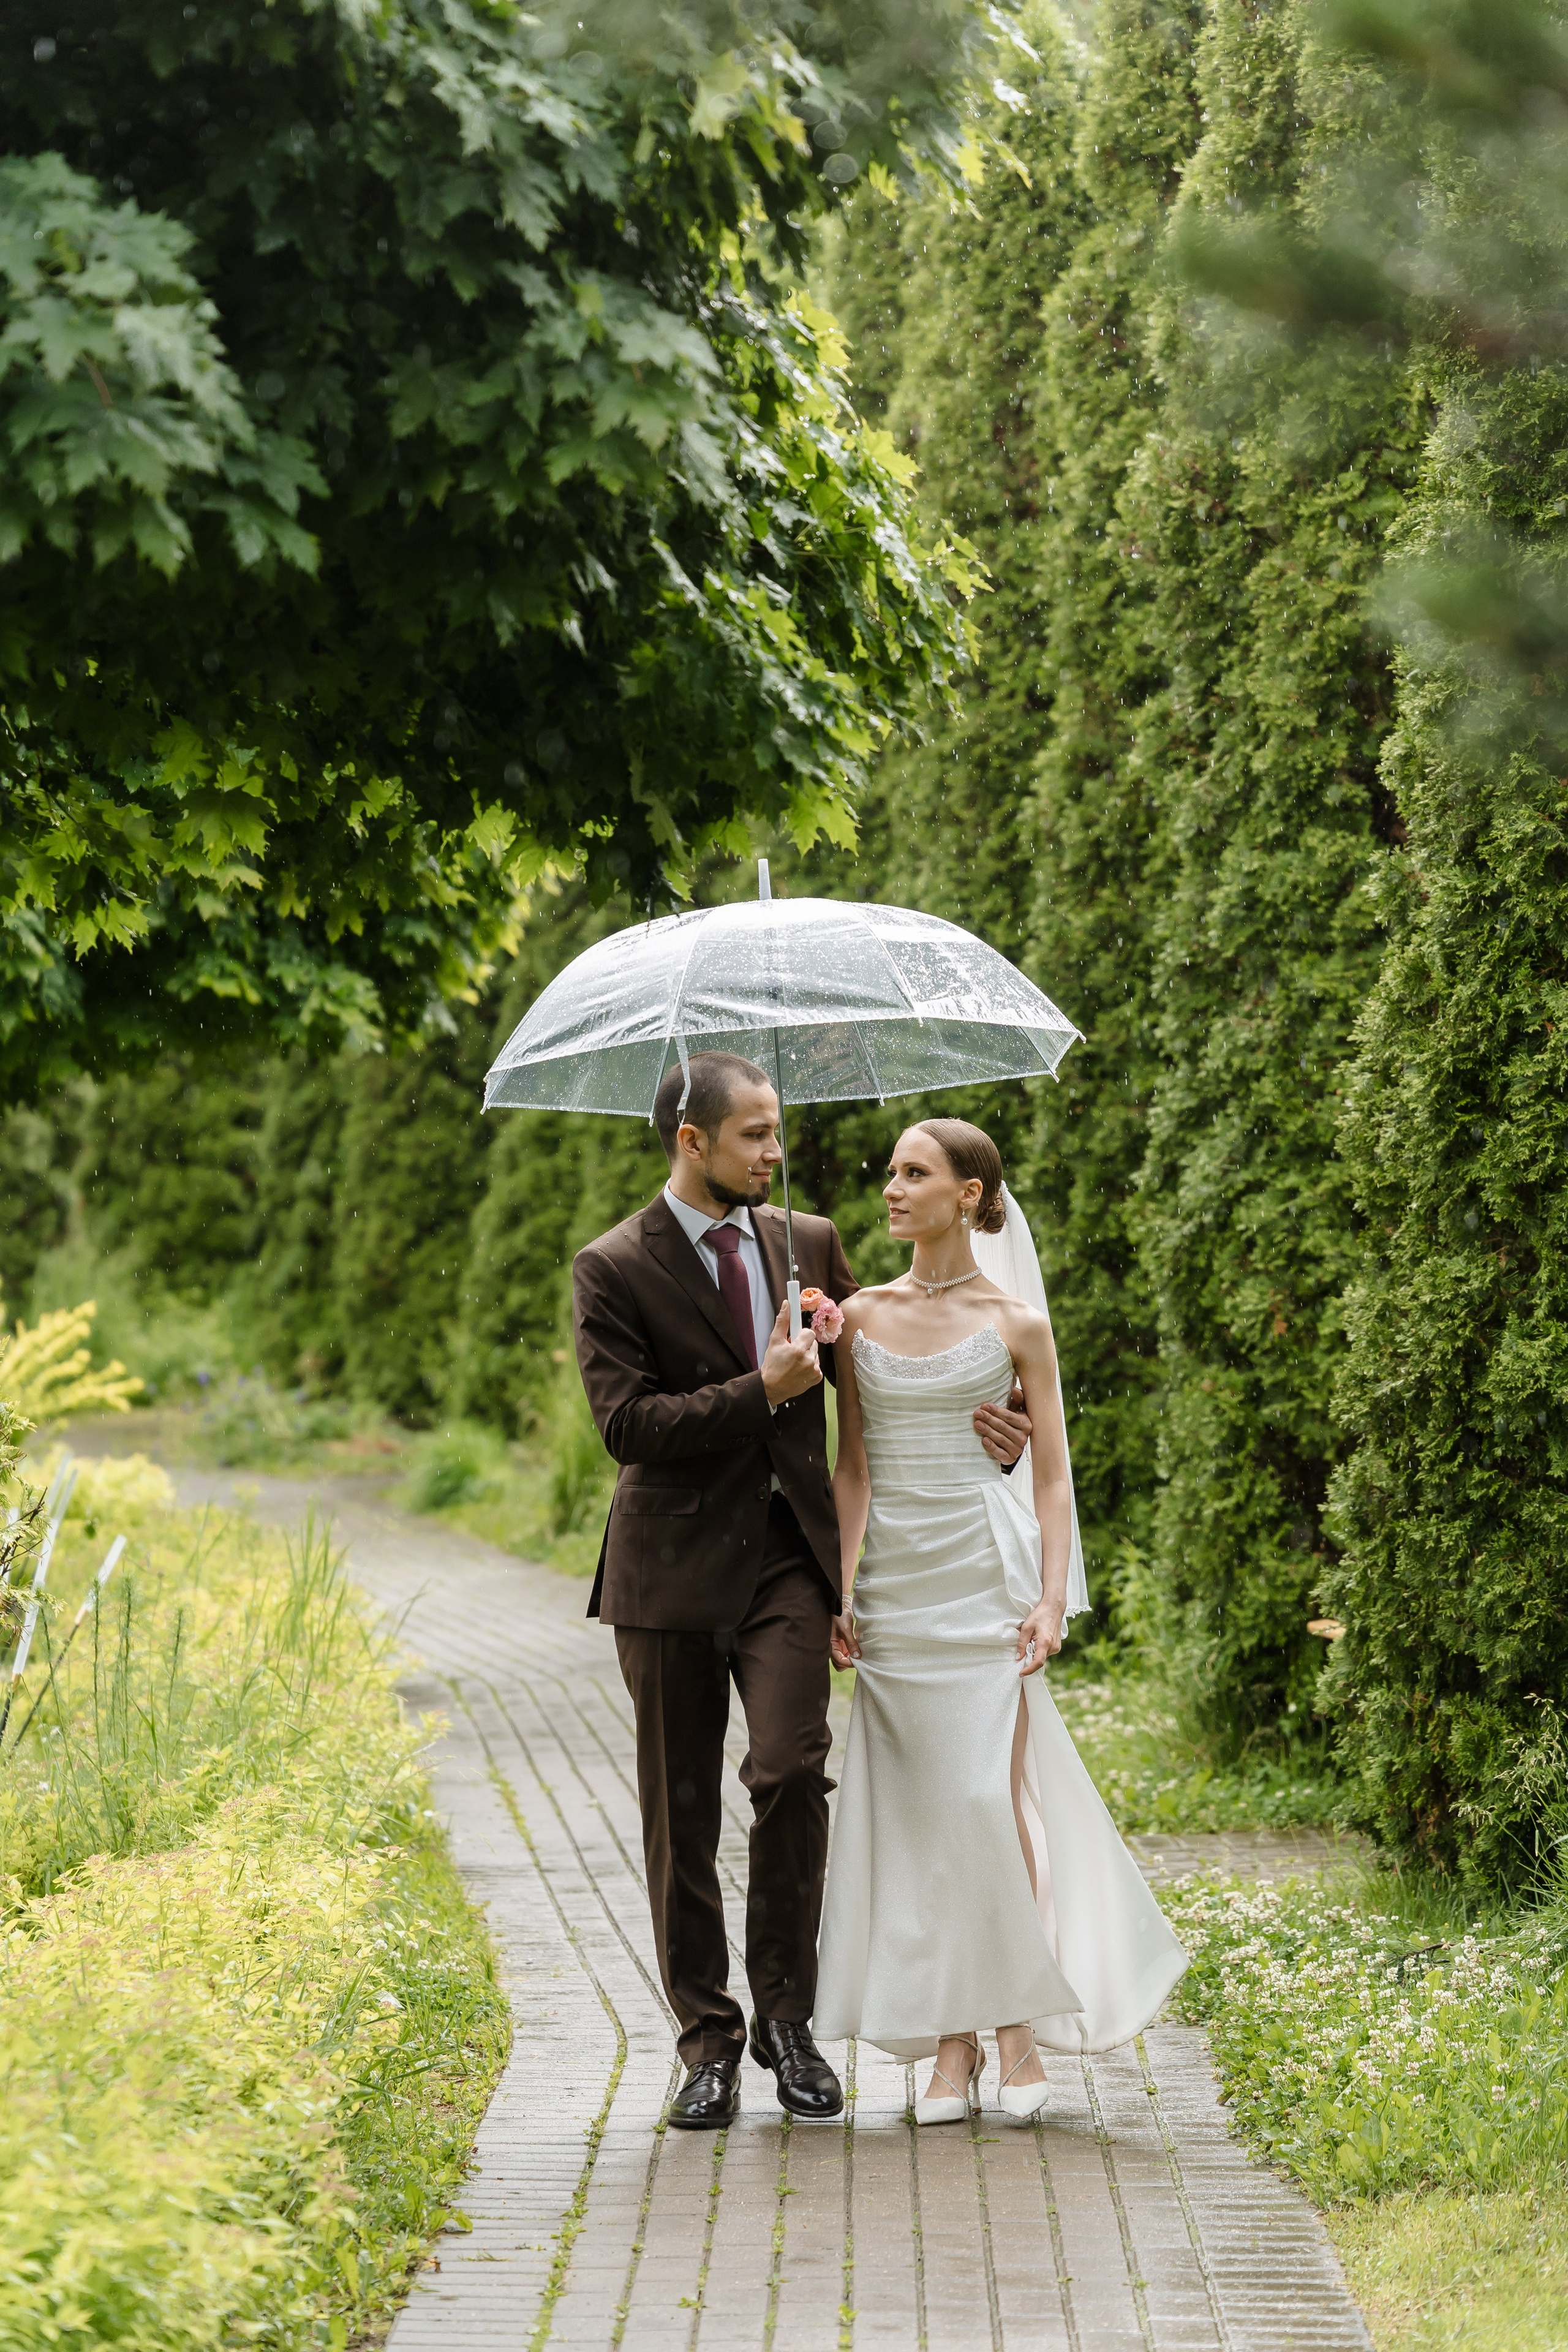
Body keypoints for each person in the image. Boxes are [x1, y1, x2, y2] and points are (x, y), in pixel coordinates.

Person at [571, 1055, 1033, 2130]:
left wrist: (993, 1440)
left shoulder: (807, 1241)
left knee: (789, 1773)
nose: (776, 1153)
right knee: (680, 1813)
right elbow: (627, 1428)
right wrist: (757, 1391)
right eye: (755, 1138)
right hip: (668, 1573)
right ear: (693, 1142)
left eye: (777, 1133)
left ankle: (788, 2018)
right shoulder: (611, 1267)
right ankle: (709, 2041)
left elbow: (896, 1381)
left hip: (789, 1559)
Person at [813, 1118, 1186, 2121]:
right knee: (924, 1813)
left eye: (914, 1173)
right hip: (895, 1584)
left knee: (985, 1800)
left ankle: (1014, 2035)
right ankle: (953, 2049)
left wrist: (1052, 1596)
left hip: (986, 1578)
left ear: (971, 1195)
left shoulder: (1018, 1323)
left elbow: (1054, 1474)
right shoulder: (856, 1317)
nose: (891, 1188)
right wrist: (838, 1589)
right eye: (890, 1172)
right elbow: (852, 1466)